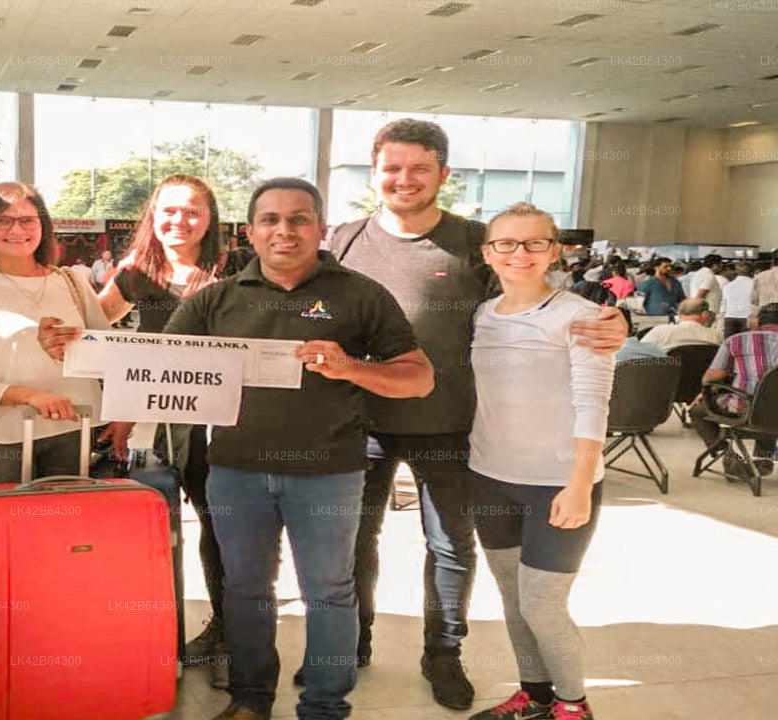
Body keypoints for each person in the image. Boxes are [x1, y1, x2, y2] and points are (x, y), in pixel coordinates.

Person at [323, 118, 626, 711]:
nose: (403, 179)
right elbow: (317, 309)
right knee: (354, 542)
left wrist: (614, 322)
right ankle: (351, 647)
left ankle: (444, 654)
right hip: (361, 422)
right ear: (374, 172)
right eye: (392, 167)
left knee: (450, 549)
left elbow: (530, 291)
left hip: (454, 428)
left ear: (443, 174)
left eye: (418, 168)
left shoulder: (474, 242)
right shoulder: (345, 239)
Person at [165, 177, 434, 720]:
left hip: (329, 473)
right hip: (236, 472)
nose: (284, 231)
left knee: (330, 593)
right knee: (245, 591)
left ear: (319, 227)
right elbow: (153, 363)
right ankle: (250, 700)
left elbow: (419, 378)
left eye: (298, 219)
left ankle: (326, 706)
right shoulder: (217, 299)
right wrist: (77, 345)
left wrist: (350, 366)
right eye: (270, 219)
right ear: (251, 230)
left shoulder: (358, 294)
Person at [40, 173, 229, 684]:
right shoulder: (136, 273)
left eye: (193, 210)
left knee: (226, 527)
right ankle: (172, 632)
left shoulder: (237, 272)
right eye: (169, 210)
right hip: (174, 426)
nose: (180, 220)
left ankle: (232, 632)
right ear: (153, 216)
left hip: (233, 423)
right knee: (183, 526)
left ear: (210, 218)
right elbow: (100, 341)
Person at [466, 202, 614, 720]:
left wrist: (579, 485)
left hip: (557, 482)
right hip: (490, 478)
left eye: (534, 243)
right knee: (513, 599)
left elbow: (594, 405)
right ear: (488, 253)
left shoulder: (581, 316)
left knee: (543, 606)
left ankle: (573, 706)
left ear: (554, 251)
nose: (519, 253)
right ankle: (535, 694)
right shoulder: (482, 314)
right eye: (506, 243)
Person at [0, 182, 111, 484]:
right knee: (8, 524)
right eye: (2, 220)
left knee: (69, 524)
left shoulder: (72, 283)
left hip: (74, 429)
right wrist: (28, 396)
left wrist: (70, 350)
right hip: (3, 435)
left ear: (43, 226)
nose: (17, 230)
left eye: (27, 220)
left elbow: (110, 354)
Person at [688, 302, 778, 471]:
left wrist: (707, 392)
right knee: (770, 403)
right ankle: (763, 459)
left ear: (758, 322)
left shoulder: (736, 340)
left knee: (697, 411)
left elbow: (712, 377)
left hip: (745, 409)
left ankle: (729, 459)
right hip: (772, 413)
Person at [640, 298, 722, 352]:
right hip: (702, 378)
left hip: (665, 376)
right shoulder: (717, 336)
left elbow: (637, 354)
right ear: (705, 314)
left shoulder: (660, 331)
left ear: (679, 314)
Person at [720, 262, 755, 338]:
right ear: (752, 271)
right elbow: (755, 300)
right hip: (748, 317)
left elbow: (723, 304)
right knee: (747, 344)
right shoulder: (754, 284)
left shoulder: (728, 285)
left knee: (730, 344)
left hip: (730, 317)